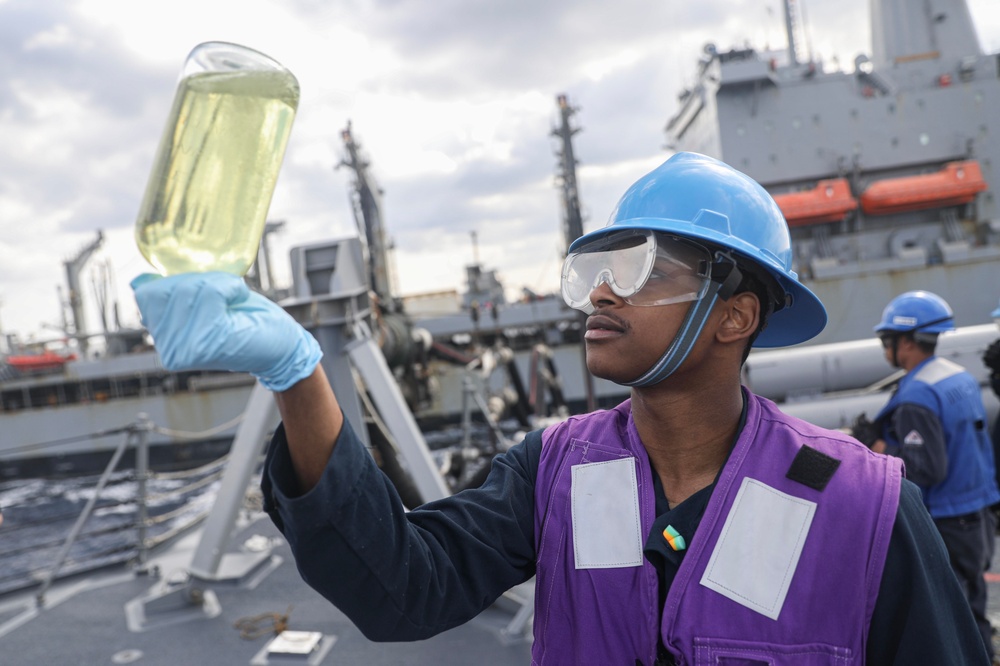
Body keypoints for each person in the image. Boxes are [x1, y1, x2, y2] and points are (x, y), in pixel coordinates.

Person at [132, 152, 989, 665]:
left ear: (736, 315)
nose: (600, 295)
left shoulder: (861, 506)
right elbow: (400, 589)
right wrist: (297, 372)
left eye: (642, 268)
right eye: (594, 271)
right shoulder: (558, 470)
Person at [866, 290, 1000, 661]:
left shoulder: (916, 397)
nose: (885, 349)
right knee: (972, 608)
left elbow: (925, 468)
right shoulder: (959, 377)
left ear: (906, 342)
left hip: (947, 523)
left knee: (947, 620)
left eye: (886, 340)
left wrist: (878, 449)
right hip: (978, 517)